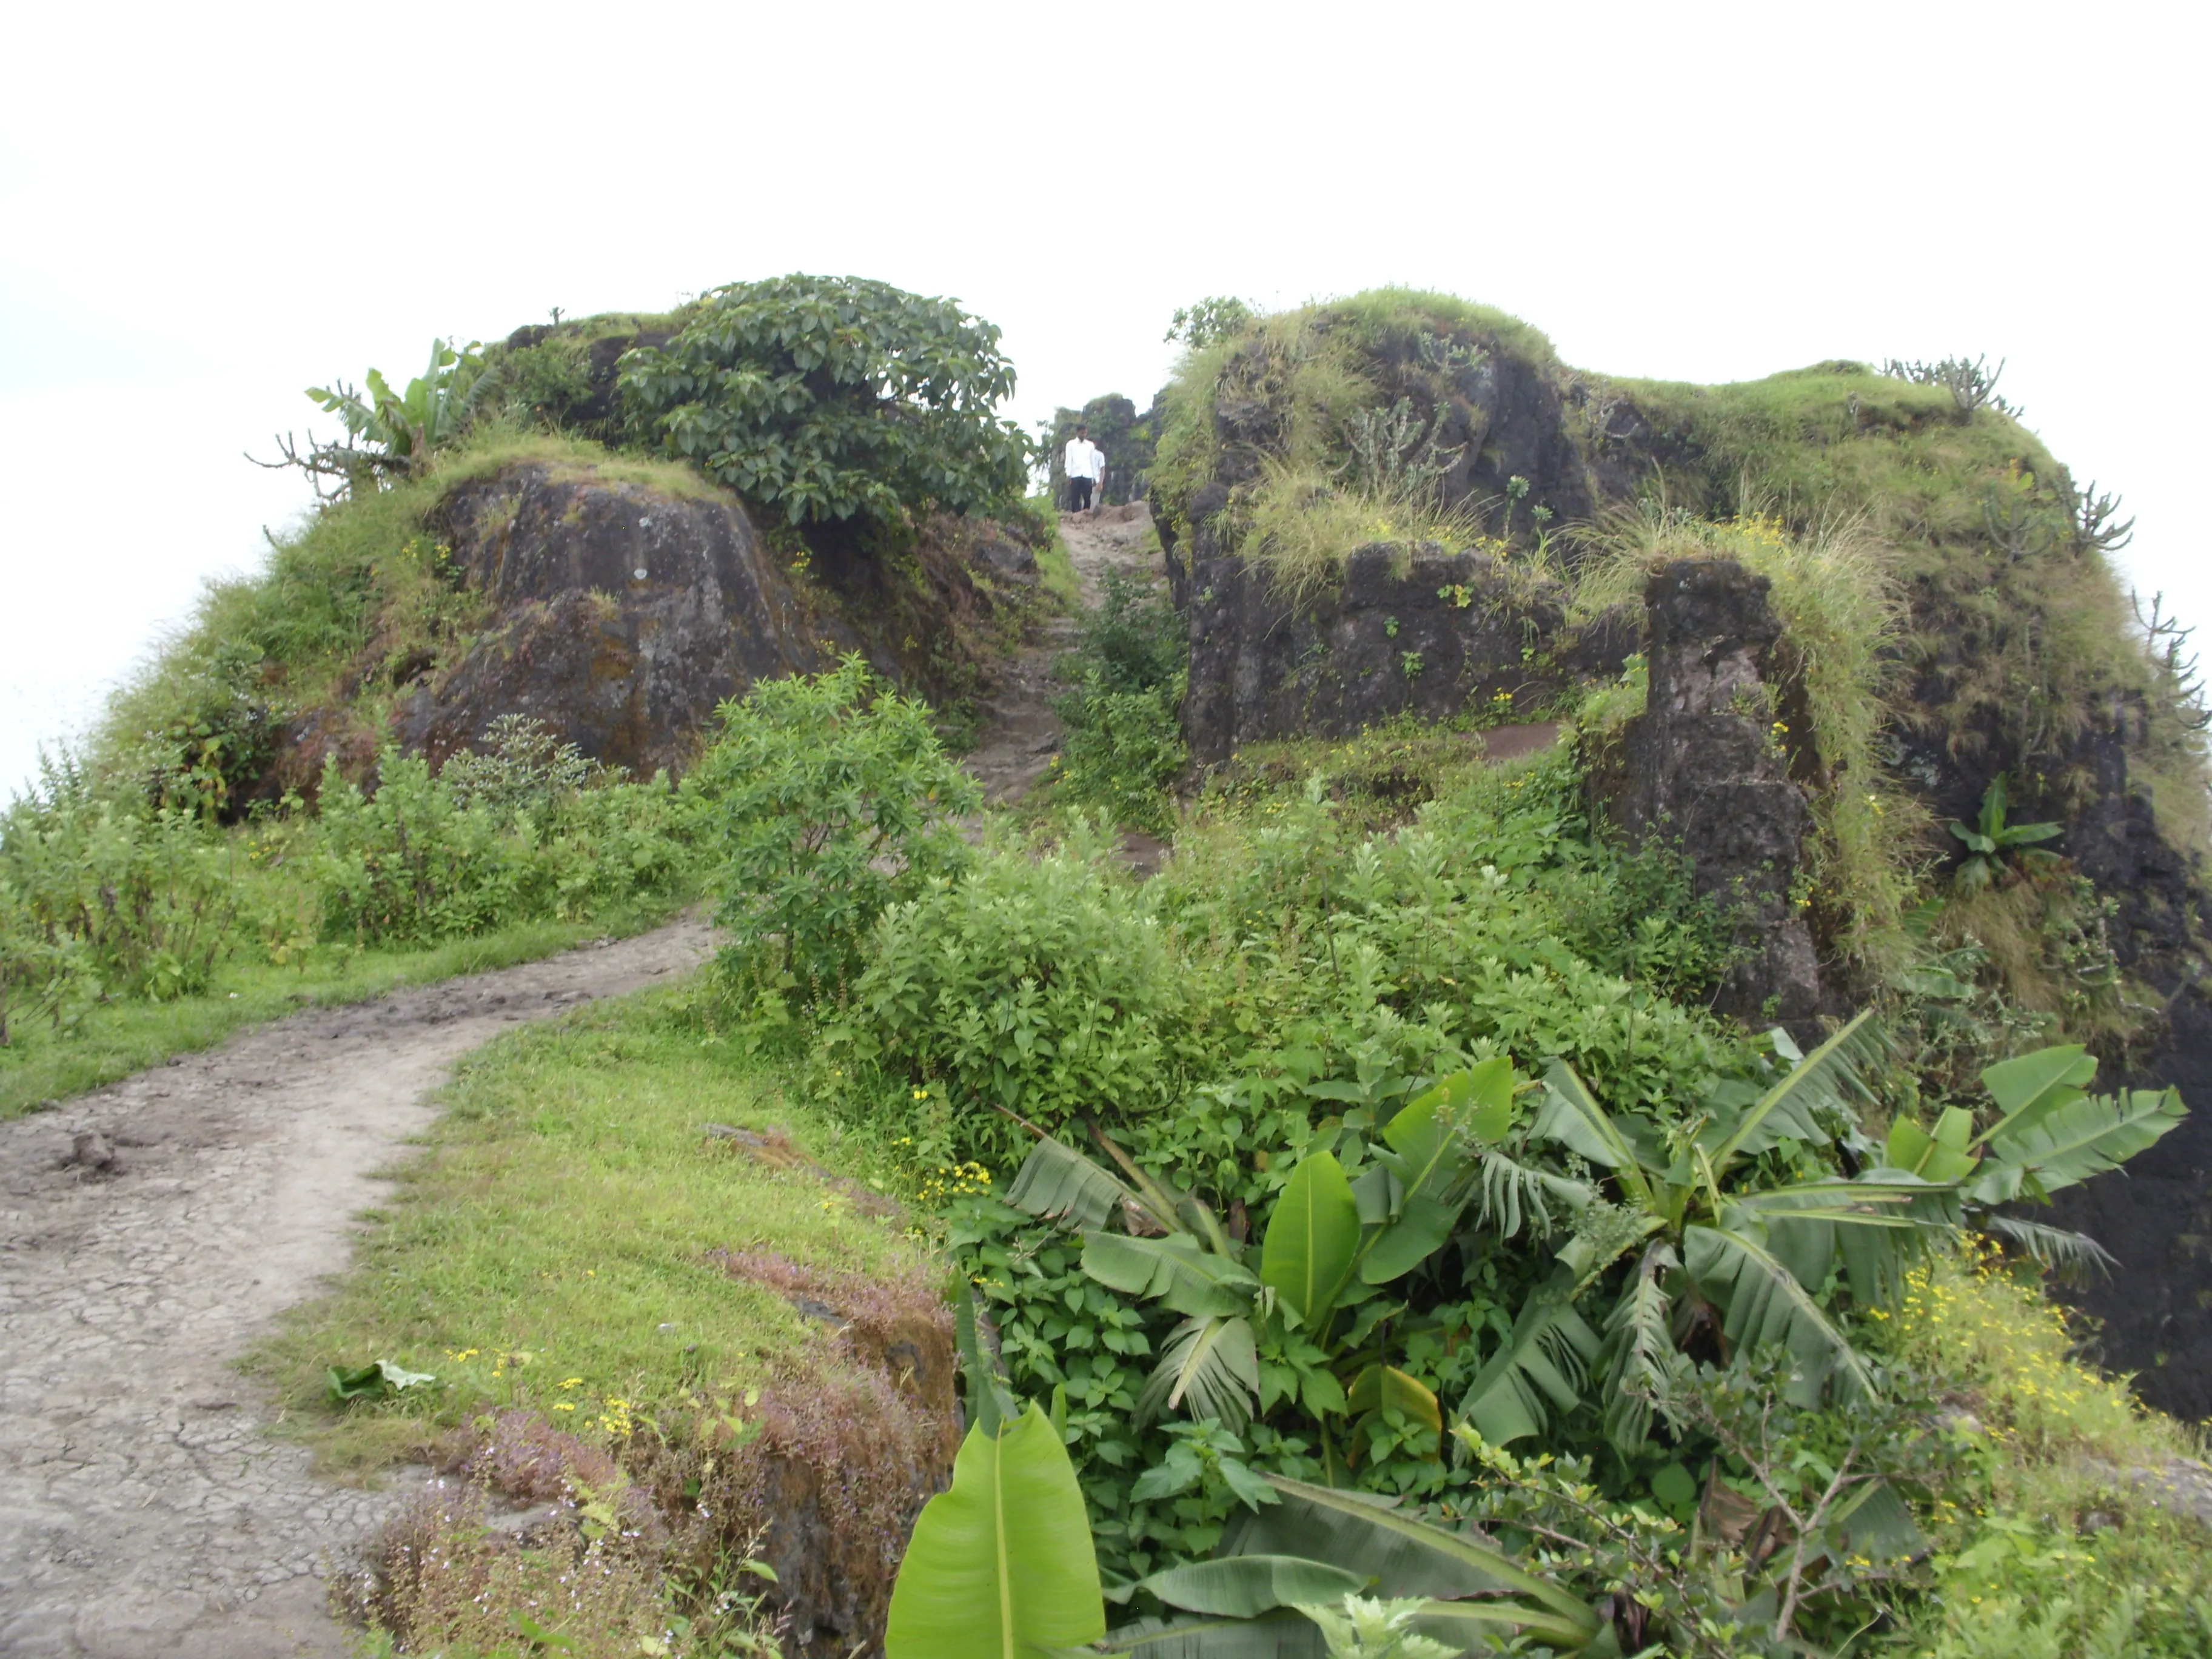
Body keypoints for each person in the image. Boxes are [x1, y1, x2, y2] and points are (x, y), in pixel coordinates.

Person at [1064, 423, 1104, 513]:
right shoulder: (1071, 444)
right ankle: (1076, 515)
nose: (1084, 435)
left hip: (1087, 474)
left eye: (1085, 433)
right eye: (1082, 433)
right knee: (1075, 497)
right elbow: (1069, 460)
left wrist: (1095, 478)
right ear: (1077, 433)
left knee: (1087, 497)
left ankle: (1086, 515)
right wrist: (1068, 474)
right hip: (1075, 474)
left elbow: (1092, 462)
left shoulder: (1090, 445)